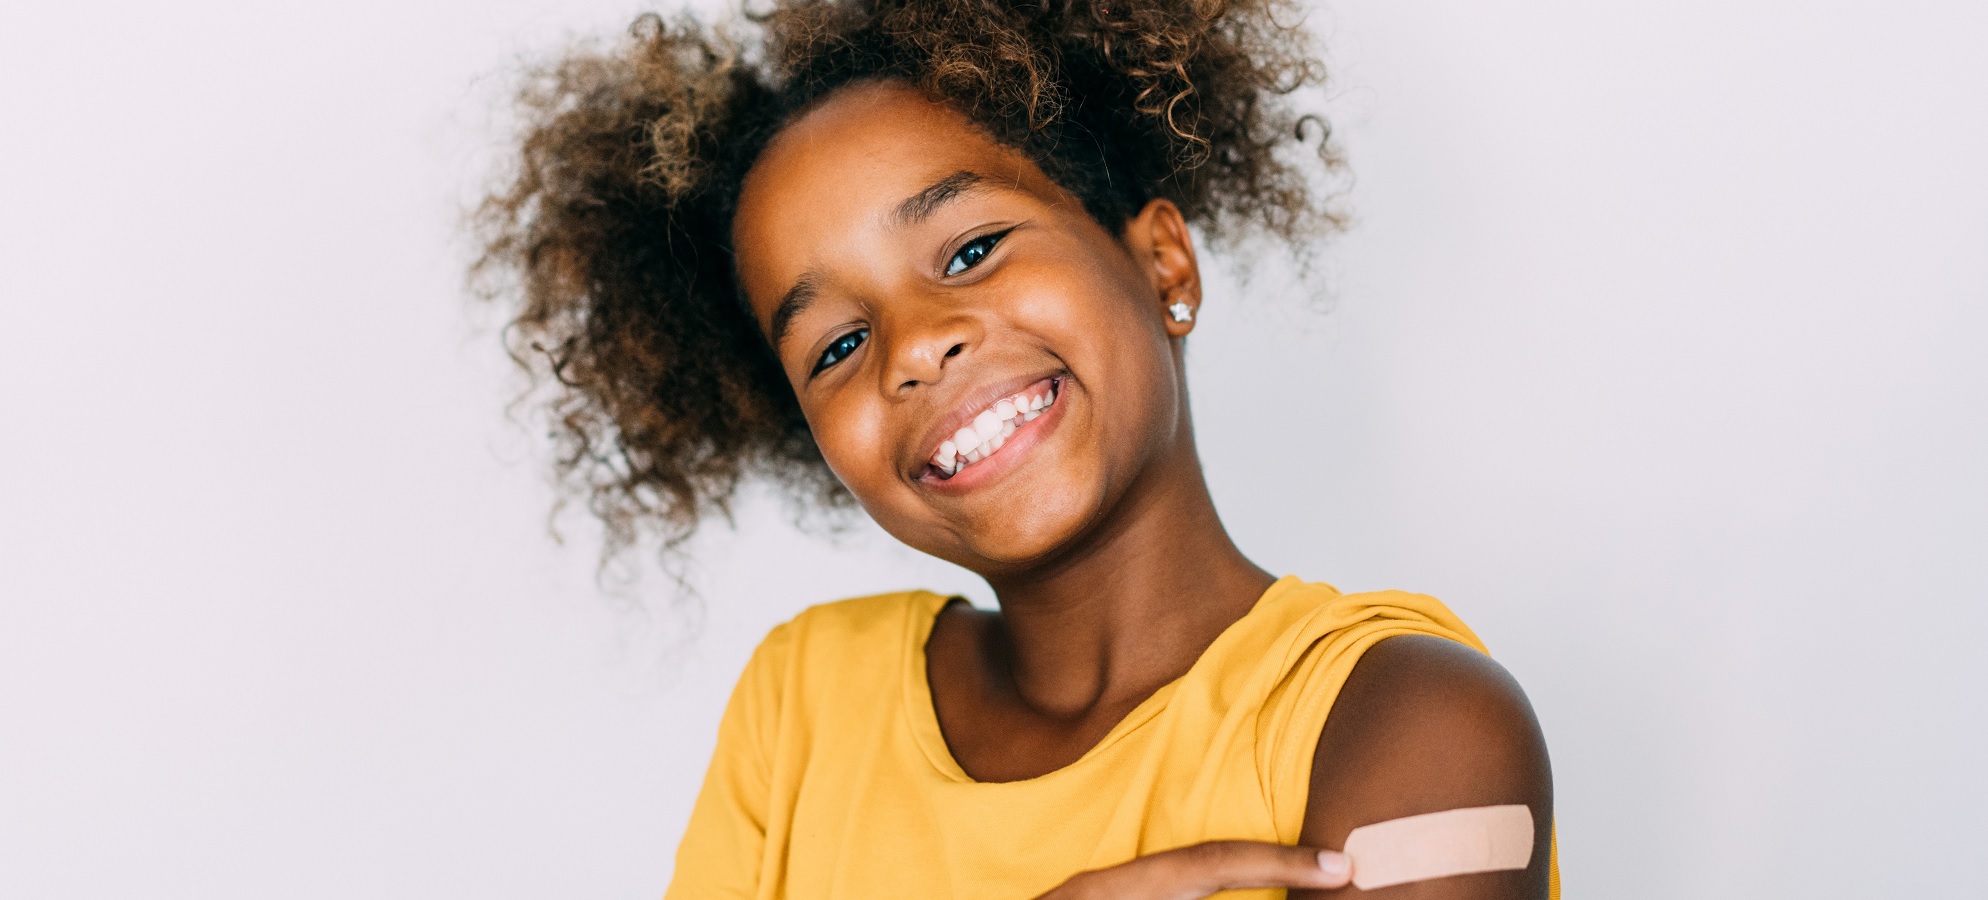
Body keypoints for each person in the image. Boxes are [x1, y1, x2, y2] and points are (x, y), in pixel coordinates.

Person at [474, 0, 1557, 896]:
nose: (913, 347)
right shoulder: (803, 706)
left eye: (971, 249)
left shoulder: (1407, 721)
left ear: (1162, 266)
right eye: (838, 344)